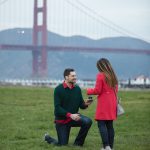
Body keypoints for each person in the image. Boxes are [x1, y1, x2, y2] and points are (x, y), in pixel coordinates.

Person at [44, 68, 93, 146]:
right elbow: (57, 109)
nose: (75, 77)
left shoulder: (77, 89)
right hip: (62, 120)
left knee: (88, 121)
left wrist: (86, 104)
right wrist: (70, 115)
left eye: (75, 75)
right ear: (66, 77)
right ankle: (48, 138)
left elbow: (81, 105)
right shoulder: (58, 89)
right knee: (62, 144)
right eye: (73, 76)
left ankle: (77, 144)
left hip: (74, 118)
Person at [87, 58, 118, 150]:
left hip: (104, 103)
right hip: (112, 102)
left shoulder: (100, 75)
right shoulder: (113, 75)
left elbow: (97, 90)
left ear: (100, 66)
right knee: (109, 125)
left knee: (101, 124)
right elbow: (115, 90)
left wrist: (88, 90)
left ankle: (106, 146)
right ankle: (110, 147)